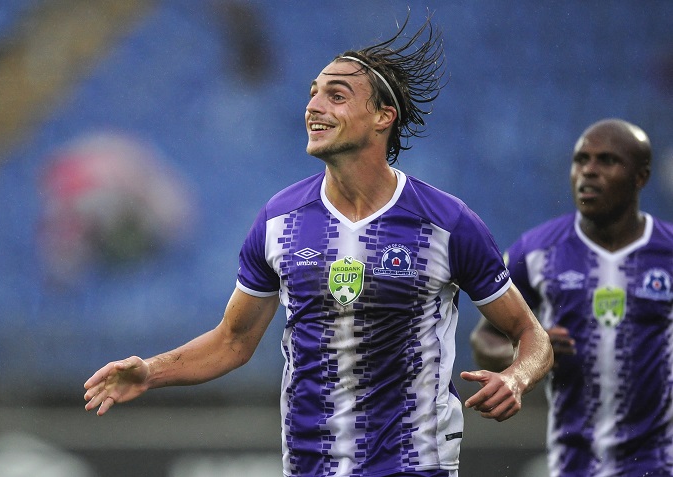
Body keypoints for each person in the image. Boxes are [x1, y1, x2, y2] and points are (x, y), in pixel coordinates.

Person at [84, 15, 552, 477]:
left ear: (382, 117)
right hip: (312, 466)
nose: (313, 106)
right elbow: (233, 340)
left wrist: (517, 377)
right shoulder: (279, 221)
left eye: (336, 95)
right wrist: (150, 371)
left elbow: (532, 336)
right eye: (312, 92)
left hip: (415, 464)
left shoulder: (446, 222)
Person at [470, 118, 673, 477]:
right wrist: (534, 355)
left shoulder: (667, 252)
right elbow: (485, 337)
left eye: (607, 161)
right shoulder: (534, 251)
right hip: (573, 465)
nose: (588, 172)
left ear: (641, 177)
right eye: (581, 160)